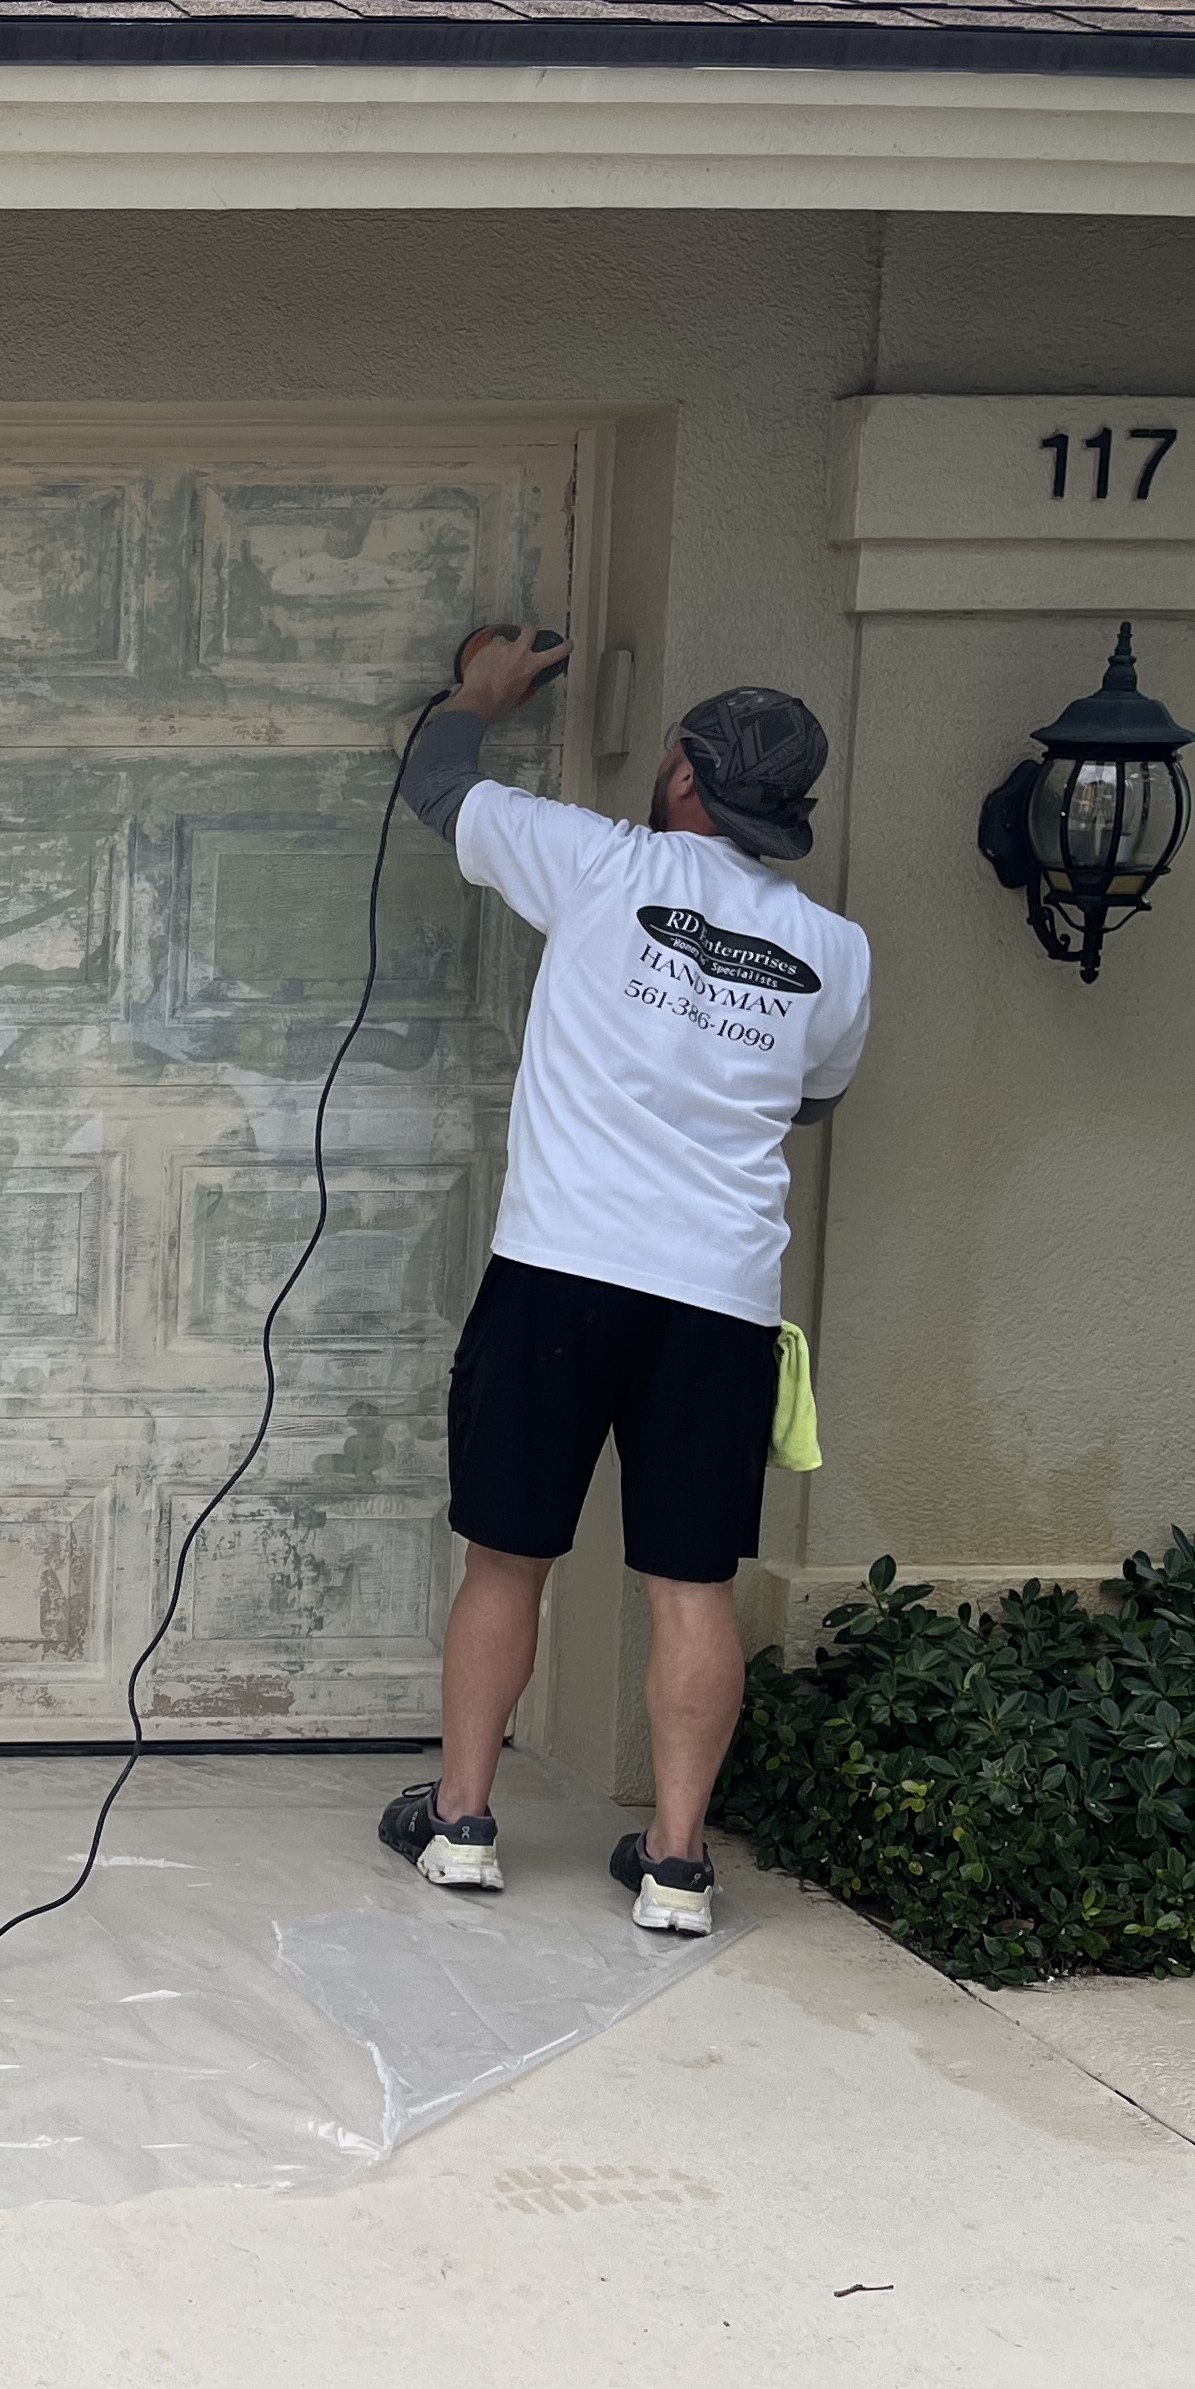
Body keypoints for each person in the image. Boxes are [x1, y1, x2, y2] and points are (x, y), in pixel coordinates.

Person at [373, 629, 870, 1934]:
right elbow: (812, 1101)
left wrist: (479, 699)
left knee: (509, 1558)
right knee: (689, 1583)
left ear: (689, 777)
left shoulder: (600, 863)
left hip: (562, 1272)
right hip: (719, 1302)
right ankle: (677, 1866)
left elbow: (437, 787)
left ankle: (465, 1827)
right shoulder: (836, 948)